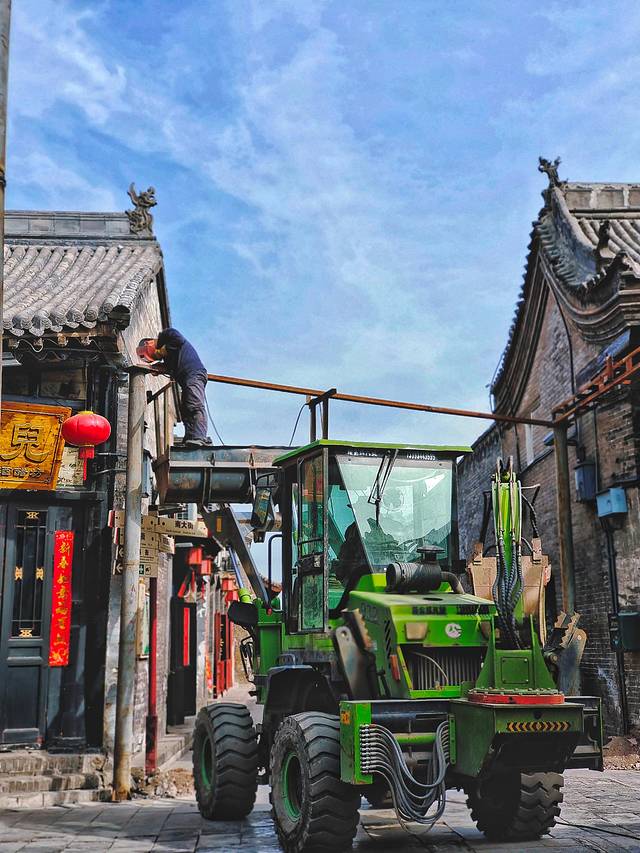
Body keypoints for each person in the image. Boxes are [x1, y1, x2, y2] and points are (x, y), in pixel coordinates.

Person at [137, 328, 210, 447]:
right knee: (185, 408)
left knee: (194, 405)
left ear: (149, 343)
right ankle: (191, 437)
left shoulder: (168, 335)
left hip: (194, 374)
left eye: (154, 355)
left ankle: (199, 437)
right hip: (187, 378)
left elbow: (177, 339)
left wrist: (162, 350)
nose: (156, 356)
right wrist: (160, 367)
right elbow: (170, 365)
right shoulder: (169, 356)